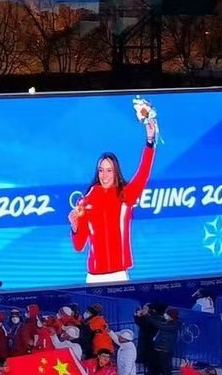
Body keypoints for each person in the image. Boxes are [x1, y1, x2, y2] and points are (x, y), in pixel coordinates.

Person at [67, 97, 157, 284]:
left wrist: (149, 141)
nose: (104, 175)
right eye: (101, 170)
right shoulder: (85, 202)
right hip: (93, 276)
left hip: (119, 275)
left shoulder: (126, 195)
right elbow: (79, 246)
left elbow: (143, 173)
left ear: (116, 171)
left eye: (109, 170)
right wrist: (75, 227)